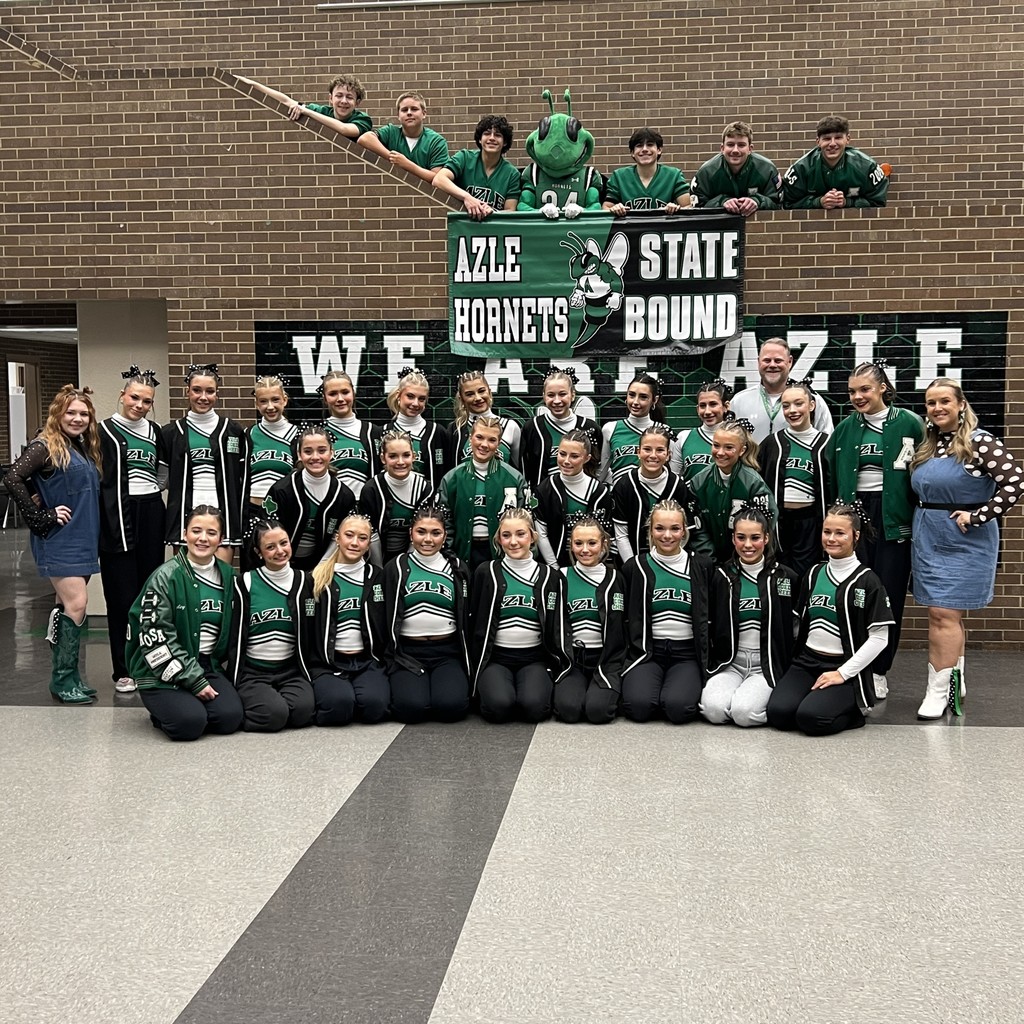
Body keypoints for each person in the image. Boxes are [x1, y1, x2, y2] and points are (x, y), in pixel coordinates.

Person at [910, 379, 1024, 718]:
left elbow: (1016, 481)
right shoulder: (929, 446)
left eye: (944, 401)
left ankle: (937, 690)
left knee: (944, 613)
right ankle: (953, 677)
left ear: (961, 404)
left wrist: (979, 516)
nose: (937, 408)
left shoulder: (980, 442)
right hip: (928, 536)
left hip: (964, 539)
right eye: (931, 403)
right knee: (942, 612)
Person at [826, 360, 924, 697]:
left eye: (864, 389)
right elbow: (829, 474)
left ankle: (879, 670)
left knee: (889, 596)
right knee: (853, 590)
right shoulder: (845, 429)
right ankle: (851, 664)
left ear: (883, 387)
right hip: (855, 515)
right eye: (852, 391)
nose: (857, 396)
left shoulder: (910, 423)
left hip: (893, 517)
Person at [3, 385, 103, 704]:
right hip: (59, 540)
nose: (77, 418)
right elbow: (11, 478)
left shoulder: (80, 446)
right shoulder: (44, 445)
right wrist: (40, 515)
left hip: (83, 537)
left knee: (67, 608)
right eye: (71, 412)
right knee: (77, 604)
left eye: (83, 413)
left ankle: (69, 676)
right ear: (57, 414)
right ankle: (62, 679)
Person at [766, 503, 893, 736]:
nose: (831, 539)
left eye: (840, 533)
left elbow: (880, 638)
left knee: (811, 719)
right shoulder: (814, 573)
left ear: (855, 536)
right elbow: (797, 624)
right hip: (806, 662)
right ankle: (815, 700)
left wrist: (842, 673)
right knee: (779, 714)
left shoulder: (867, 580)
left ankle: (854, 711)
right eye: (827, 532)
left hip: (842, 667)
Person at [127, 505, 243, 741]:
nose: (203, 538)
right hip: (160, 669)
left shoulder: (229, 576)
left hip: (206, 664)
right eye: (196, 531)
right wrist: (195, 681)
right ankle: (165, 712)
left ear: (221, 538)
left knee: (229, 718)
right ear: (184, 534)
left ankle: (187, 702)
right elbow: (155, 639)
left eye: (211, 533)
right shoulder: (165, 576)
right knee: (189, 724)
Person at [97, 366, 167, 693]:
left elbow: (163, 473)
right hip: (117, 516)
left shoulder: (156, 432)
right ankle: (123, 669)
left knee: (149, 594)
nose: (139, 405)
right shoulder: (101, 431)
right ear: (122, 395)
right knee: (121, 595)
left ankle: (148, 661)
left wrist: (151, 492)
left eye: (146, 401)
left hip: (151, 509)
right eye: (134, 397)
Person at [227, 519, 334, 731]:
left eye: (283, 543)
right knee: (274, 715)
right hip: (253, 672)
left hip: (289, 670)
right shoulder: (245, 583)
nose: (280, 551)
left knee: (302, 712)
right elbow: (235, 634)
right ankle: (243, 710)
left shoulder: (306, 582)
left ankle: (272, 703)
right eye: (270, 547)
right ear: (259, 552)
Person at [470, 507, 572, 723]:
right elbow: (475, 619)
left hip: (533, 658)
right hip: (496, 658)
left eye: (520, 534)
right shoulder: (485, 572)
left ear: (533, 537)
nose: (513, 541)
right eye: (506, 535)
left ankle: (527, 689)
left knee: (534, 709)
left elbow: (557, 625)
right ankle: (500, 690)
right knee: (499, 708)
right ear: (498, 539)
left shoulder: (550, 577)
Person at [703, 507, 799, 727]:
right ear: (733, 539)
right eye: (741, 537)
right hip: (730, 664)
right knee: (713, 711)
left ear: (766, 538)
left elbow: (797, 630)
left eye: (755, 538)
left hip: (765, 666)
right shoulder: (721, 577)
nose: (748, 545)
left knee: (744, 714)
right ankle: (737, 697)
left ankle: (757, 701)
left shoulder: (786, 577)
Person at [619, 500, 713, 723]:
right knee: (638, 708)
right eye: (659, 528)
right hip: (648, 653)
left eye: (674, 528)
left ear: (684, 531)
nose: (667, 535)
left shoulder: (702, 566)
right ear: (650, 530)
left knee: (679, 709)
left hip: (686, 655)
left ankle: (671, 692)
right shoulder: (635, 567)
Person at [383, 501, 471, 723]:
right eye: (421, 532)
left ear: (444, 536)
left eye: (436, 533)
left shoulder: (457, 567)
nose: (428, 539)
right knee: (410, 710)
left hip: (447, 651)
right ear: (411, 533)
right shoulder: (396, 566)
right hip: (408, 653)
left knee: (452, 708)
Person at [162, 363, 249, 561]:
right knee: (188, 581)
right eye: (197, 390)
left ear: (217, 394)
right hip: (185, 515)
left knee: (220, 580)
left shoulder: (233, 430)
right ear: (187, 392)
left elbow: (241, 478)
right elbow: (162, 478)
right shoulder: (170, 433)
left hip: (224, 514)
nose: (203, 397)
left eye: (210, 391)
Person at [309, 513, 390, 724]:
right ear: (338, 537)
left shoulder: (378, 577)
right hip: (329, 664)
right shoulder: (316, 578)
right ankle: (341, 696)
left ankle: (355, 694)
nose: (355, 543)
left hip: (366, 661)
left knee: (375, 708)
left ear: (368, 543)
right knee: (338, 708)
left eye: (362, 538)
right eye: (349, 535)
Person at [553, 513, 626, 725]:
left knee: (598, 712)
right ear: (571, 545)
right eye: (578, 543)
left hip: (606, 661)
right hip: (573, 660)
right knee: (569, 711)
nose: (585, 550)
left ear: (604, 544)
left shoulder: (616, 579)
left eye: (592, 543)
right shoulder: (561, 577)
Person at [758, 379, 830, 576]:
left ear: (811, 405)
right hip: (778, 522)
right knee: (780, 575)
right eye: (786, 405)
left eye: (799, 403)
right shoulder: (772, 443)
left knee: (806, 575)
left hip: (810, 523)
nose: (792, 410)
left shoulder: (826, 444)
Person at [437, 415, 528, 568]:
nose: (484, 444)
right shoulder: (452, 478)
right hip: (463, 553)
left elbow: (525, 522)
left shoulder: (514, 478)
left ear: (499, 443)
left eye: (492, 440)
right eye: (479, 437)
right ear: (470, 439)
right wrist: (449, 554)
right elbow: (445, 522)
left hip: (501, 555)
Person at [265, 423, 356, 571]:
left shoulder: (344, 496)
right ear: (299, 455)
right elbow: (267, 532)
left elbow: (340, 537)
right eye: (308, 451)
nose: (315, 457)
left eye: (322, 451)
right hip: (282, 565)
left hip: (324, 567)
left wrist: (321, 568)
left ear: (331, 453)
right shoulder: (281, 490)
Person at [688, 418, 778, 564]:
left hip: (745, 560)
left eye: (729, 447)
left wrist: (740, 560)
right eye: (716, 445)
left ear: (742, 450)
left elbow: (765, 525)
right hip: (709, 562)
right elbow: (697, 528)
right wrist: (710, 560)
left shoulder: (753, 483)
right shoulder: (698, 482)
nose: (720, 452)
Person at [612, 423, 691, 564]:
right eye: (647, 449)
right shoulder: (624, 485)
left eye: (660, 450)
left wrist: (671, 561)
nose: (653, 455)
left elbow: (685, 532)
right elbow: (621, 534)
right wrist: (633, 566)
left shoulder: (678, 486)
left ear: (668, 455)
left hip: (671, 561)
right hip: (632, 562)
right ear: (638, 452)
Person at [728, 338, 833, 442]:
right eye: (767, 360)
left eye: (778, 360)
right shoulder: (739, 401)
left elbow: (827, 443)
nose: (772, 365)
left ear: (790, 361)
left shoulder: (811, 399)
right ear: (758, 362)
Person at [535, 429, 612, 568]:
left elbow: (603, 536)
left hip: (590, 566)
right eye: (562, 454)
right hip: (554, 565)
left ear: (587, 458)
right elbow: (541, 533)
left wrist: (591, 566)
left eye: (574, 456)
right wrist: (554, 567)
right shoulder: (545, 489)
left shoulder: (599, 491)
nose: (566, 461)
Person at [358, 428, 433, 566]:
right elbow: (369, 532)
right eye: (393, 456)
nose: (400, 462)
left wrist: (406, 566)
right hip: (376, 558)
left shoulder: (424, 488)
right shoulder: (371, 489)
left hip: (413, 557)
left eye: (406, 455)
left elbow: (422, 531)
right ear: (383, 458)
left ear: (414, 456)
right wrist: (378, 570)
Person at [521, 368, 601, 492]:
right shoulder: (532, 427)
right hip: (542, 499)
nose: (557, 401)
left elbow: (597, 466)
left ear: (573, 395)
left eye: (562, 394)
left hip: (582, 497)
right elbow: (524, 468)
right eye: (551, 395)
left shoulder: (590, 428)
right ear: (543, 396)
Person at [783, 115, 889, 209]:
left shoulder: (866, 167)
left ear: (847, 139)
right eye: (827, 139)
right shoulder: (801, 168)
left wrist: (847, 202)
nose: (832, 143)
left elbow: (878, 202)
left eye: (838, 137)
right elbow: (787, 204)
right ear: (818, 141)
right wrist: (818, 202)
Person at [432, 115, 522, 220]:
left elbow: (510, 210)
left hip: (492, 231)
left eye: (497, 135)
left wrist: (494, 212)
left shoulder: (512, 174)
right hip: (461, 228)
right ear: (480, 139)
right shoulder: (465, 157)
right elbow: (438, 180)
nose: (492, 138)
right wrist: (467, 198)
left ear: (505, 142)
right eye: (487, 134)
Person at [237, 74, 372, 139]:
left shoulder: (363, 119)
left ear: (357, 102)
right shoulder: (323, 111)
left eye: (349, 97)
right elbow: (285, 101)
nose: (343, 101)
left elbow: (345, 130)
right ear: (330, 98)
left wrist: (307, 112)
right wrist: (250, 83)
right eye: (339, 96)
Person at [690, 120, 782, 215]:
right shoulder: (707, 172)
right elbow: (696, 209)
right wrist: (721, 202)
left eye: (741, 145)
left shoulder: (767, 169)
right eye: (730, 145)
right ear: (722, 148)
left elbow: (779, 205)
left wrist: (758, 201)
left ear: (750, 149)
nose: (735, 150)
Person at [357, 91, 450, 185]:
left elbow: (438, 178)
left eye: (414, 109)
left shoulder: (436, 142)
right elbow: (365, 139)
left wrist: (406, 164)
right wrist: (392, 157)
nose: (409, 113)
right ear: (398, 115)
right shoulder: (390, 132)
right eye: (404, 110)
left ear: (424, 114)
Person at [384, 367, 451, 493]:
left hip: (428, 506)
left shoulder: (438, 432)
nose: (415, 403)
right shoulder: (384, 432)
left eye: (421, 399)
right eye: (410, 396)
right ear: (399, 396)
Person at [602, 127, 691, 215]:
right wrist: (615, 209)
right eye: (639, 145)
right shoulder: (619, 177)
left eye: (650, 144)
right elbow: (606, 208)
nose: (644, 149)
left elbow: (688, 207)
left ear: (659, 150)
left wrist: (675, 209)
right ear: (632, 152)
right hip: (630, 229)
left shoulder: (674, 176)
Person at [246, 375, 298, 525]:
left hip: (287, 510)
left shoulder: (299, 435)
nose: (270, 407)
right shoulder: (248, 435)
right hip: (253, 511)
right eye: (263, 401)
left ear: (285, 400)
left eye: (275, 399)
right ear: (256, 404)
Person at [320, 370, 380, 499]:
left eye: (345, 392)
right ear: (325, 398)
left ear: (353, 393)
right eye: (333, 394)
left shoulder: (372, 432)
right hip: (329, 506)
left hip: (364, 507)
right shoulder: (317, 433)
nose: (340, 399)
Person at [599, 372, 667, 484]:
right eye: (632, 395)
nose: (635, 402)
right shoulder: (610, 429)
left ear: (654, 400)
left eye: (643, 397)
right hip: (620, 498)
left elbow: (672, 474)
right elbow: (602, 472)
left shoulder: (665, 431)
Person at [449, 369, 522, 467]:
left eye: (481, 391)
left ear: (490, 393)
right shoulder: (455, 429)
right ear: (461, 399)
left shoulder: (510, 427)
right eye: (470, 394)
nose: (478, 398)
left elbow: (519, 470)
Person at [669, 378, 732, 481]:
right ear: (697, 409)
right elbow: (672, 479)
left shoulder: (738, 438)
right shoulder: (684, 437)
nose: (707, 411)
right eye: (703, 406)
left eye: (713, 404)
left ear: (726, 406)